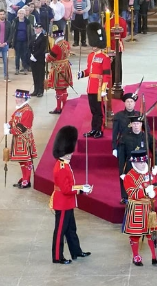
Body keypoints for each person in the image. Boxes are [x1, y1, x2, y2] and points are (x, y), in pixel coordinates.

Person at [51, 126, 92, 264]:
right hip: (63, 203)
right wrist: (81, 190)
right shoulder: (62, 167)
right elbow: (66, 190)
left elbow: (69, 186)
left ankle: (76, 251)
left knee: (71, 229)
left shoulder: (64, 164)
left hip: (67, 202)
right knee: (60, 231)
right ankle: (57, 256)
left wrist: (81, 187)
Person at [123, 146, 157, 266]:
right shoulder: (129, 177)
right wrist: (145, 191)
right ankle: (136, 256)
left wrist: (155, 192)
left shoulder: (149, 174)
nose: (142, 164)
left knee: (152, 233)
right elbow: (132, 193)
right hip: (136, 208)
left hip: (149, 208)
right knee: (135, 234)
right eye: (139, 162)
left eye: (143, 162)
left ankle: (155, 256)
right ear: (134, 163)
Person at [78, 22, 112, 138]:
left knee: (99, 111)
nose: (93, 45)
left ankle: (100, 129)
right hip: (91, 87)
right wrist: (82, 73)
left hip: (99, 88)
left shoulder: (105, 57)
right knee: (93, 110)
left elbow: (107, 75)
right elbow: (89, 70)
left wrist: (104, 89)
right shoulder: (91, 56)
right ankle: (94, 129)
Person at [112, 93, 141, 204]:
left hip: (136, 146)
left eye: (131, 101)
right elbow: (114, 133)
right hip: (123, 147)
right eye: (128, 101)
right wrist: (114, 147)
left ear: (134, 103)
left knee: (137, 171)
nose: (129, 103)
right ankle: (124, 196)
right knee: (123, 171)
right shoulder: (118, 116)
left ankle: (137, 193)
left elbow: (146, 131)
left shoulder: (139, 115)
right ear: (124, 103)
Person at [7, 89, 37, 189]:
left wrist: (10, 131)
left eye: (18, 98)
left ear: (23, 98)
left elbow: (22, 127)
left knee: (26, 160)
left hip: (24, 139)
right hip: (18, 139)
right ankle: (24, 177)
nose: (16, 99)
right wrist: (9, 125)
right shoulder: (20, 109)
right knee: (22, 161)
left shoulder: (27, 111)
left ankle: (26, 180)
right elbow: (13, 119)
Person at [45, 27, 73, 113]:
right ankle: (64, 107)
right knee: (64, 88)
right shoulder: (67, 43)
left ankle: (58, 108)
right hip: (66, 66)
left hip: (58, 68)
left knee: (58, 89)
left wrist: (46, 56)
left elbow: (51, 58)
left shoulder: (56, 46)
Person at [9, 9, 33, 75]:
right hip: (17, 41)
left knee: (24, 55)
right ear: (18, 14)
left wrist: (30, 41)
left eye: (22, 13)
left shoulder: (27, 22)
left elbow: (30, 32)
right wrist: (11, 40)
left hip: (25, 40)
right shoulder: (15, 21)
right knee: (17, 55)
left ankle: (25, 68)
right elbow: (12, 31)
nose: (21, 14)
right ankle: (17, 69)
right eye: (20, 13)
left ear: (24, 14)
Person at [29, 23, 47, 97]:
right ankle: (35, 90)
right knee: (35, 75)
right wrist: (30, 55)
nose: (36, 29)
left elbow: (42, 49)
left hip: (39, 59)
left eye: (38, 28)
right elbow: (29, 46)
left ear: (41, 29)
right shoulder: (33, 37)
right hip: (33, 59)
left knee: (40, 75)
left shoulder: (43, 38)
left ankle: (40, 90)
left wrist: (35, 55)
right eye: (35, 28)